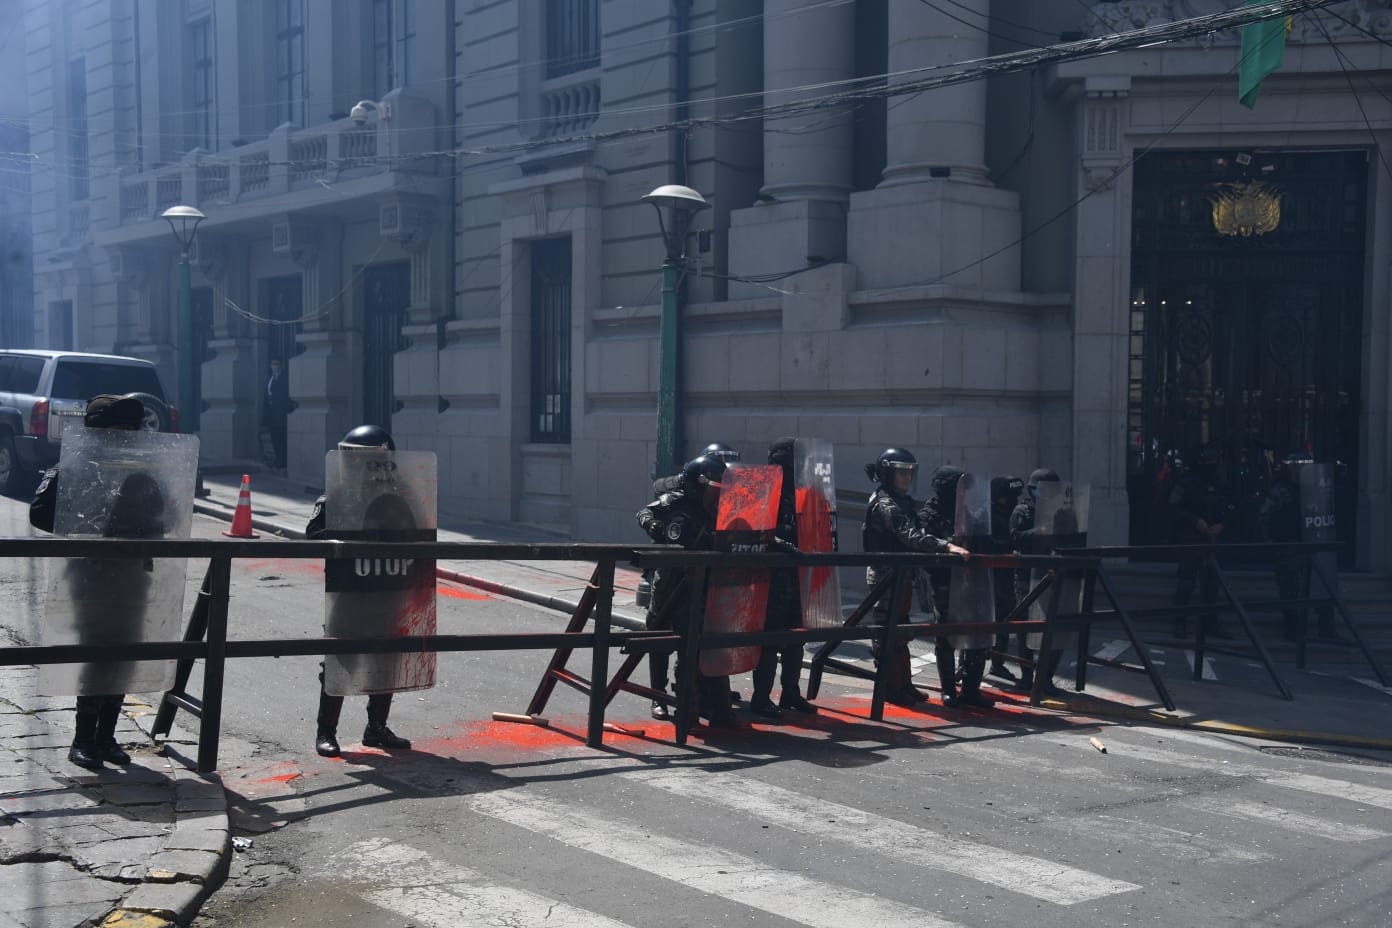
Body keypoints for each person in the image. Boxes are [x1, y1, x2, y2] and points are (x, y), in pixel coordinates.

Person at [30, 394, 150, 770]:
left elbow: (164, 519)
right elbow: (40, 513)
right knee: (97, 654)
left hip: (131, 574)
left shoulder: (142, 471)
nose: (124, 438)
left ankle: (106, 737)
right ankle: (83, 740)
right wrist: (89, 520)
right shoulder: (75, 466)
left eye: (130, 431)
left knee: (123, 655)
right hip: (90, 573)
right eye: (117, 430)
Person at [310, 424, 413, 757]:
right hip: (350, 591)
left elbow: (417, 536)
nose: (354, 464)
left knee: (387, 659)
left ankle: (377, 728)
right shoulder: (337, 495)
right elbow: (313, 536)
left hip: (388, 588)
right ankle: (326, 731)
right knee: (341, 659)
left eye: (362, 458)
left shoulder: (399, 496)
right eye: (351, 457)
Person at [861, 448, 968, 706]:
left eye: (910, 473)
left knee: (901, 630)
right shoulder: (885, 503)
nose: (907, 478)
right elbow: (910, 536)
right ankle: (890, 687)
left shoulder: (902, 500)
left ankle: (904, 684)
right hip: (885, 576)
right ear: (887, 474)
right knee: (888, 631)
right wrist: (946, 546)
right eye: (901, 473)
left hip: (901, 574)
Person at [636, 453, 737, 727]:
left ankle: (695, 702)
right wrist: (653, 525)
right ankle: (658, 697)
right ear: (697, 486)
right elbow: (645, 513)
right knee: (658, 638)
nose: (717, 496)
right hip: (670, 581)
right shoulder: (677, 502)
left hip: (701, 582)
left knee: (694, 641)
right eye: (713, 490)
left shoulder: (715, 509)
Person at [749, 438, 816, 718]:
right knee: (770, 636)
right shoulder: (765, 490)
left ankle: (790, 692)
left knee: (796, 635)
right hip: (772, 575)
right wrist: (782, 545)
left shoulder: (800, 493)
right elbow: (756, 529)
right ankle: (761, 698)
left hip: (796, 573)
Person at [920, 465, 994, 709]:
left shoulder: (966, 512)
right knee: (946, 636)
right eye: (960, 489)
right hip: (944, 582)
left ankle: (971, 690)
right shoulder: (930, 514)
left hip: (971, 580)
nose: (963, 494)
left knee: (977, 631)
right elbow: (926, 545)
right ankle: (949, 690)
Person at [1169, 442, 1235, 639]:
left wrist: (1223, 525)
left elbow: (1232, 509)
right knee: (1186, 581)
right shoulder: (1186, 483)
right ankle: (1180, 622)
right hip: (1191, 537)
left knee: (1212, 584)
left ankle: (1209, 622)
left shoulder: (1220, 484)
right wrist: (1194, 521)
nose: (1211, 466)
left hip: (1212, 537)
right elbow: (1173, 508)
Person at [1010, 468, 1060, 692]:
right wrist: (1039, 531)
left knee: (1054, 627)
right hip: (1026, 575)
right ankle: (1027, 676)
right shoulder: (1023, 511)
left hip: (1052, 574)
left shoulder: (1060, 511)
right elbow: (1015, 537)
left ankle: (1045, 677)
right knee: (1025, 628)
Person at [987, 475, 1025, 682]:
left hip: (1008, 575)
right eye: (1008, 496)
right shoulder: (988, 514)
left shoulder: (1014, 513)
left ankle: (997, 663)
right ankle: (966, 664)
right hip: (990, 573)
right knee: (983, 619)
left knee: (1004, 618)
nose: (1013, 500)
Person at [264, 357, 292, 470]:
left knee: (281, 439)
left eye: (276, 364)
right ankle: (277, 459)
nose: (274, 366)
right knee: (274, 439)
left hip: (281, 414)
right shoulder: (270, 378)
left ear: (281, 365)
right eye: (273, 364)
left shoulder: (284, 378)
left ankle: (282, 461)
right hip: (271, 415)